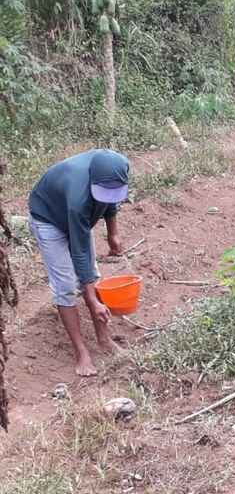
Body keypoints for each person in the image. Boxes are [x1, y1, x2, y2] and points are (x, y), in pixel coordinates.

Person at [27, 149, 130, 377]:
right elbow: (80, 251)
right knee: (65, 285)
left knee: (93, 275)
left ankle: (104, 339)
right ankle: (81, 352)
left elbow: (109, 201)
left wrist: (113, 234)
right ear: (92, 180)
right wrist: (91, 300)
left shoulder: (111, 172)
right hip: (48, 220)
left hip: (76, 216)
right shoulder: (77, 197)